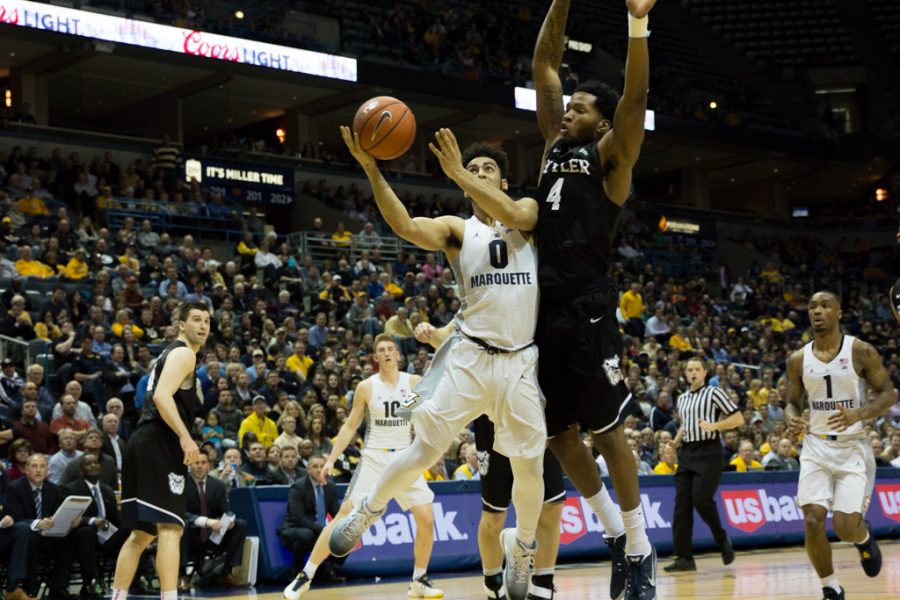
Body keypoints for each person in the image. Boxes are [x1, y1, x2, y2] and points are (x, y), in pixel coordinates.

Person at [329, 130, 548, 599]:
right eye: (474, 171)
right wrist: (371, 169)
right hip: (471, 356)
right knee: (424, 452)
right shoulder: (456, 228)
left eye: (489, 170)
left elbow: (515, 211)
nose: (480, 175)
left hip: (519, 363)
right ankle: (367, 510)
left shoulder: (526, 215)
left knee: (531, 468)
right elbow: (406, 225)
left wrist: (462, 173)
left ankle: (525, 548)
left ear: (504, 182)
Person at [529, 0, 658, 596]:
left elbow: (634, 101)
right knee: (559, 437)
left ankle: (640, 544)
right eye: (569, 106)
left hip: (589, 302)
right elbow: (545, 65)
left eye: (580, 109)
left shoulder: (610, 160)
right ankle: (614, 532)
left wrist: (636, 24)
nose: (566, 112)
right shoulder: (554, 147)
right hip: (543, 306)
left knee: (606, 433)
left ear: (601, 125)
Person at [284, 335, 441, 599]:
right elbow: (350, 425)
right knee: (345, 514)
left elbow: (425, 414)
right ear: (375, 358)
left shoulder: (413, 382)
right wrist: (332, 459)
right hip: (375, 458)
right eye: (382, 350)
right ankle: (305, 576)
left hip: (405, 457)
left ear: (399, 355)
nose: (387, 353)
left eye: (391, 349)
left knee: (426, 518)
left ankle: (419, 580)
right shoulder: (366, 387)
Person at [786, 291, 894, 600]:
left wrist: (859, 413)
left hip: (852, 448)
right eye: (812, 306)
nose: (817, 311)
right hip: (816, 448)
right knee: (811, 520)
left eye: (824, 306)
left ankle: (863, 538)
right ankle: (830, 587)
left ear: (839, 313)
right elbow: (792, 403)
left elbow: (888, 392)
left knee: (846, 528)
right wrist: (792, 417)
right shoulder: (798, 359)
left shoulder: (860, 351)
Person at [113, 302, 210, 600]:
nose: (203, 326)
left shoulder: (169, 355)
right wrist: (185, 436)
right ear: (181, 325)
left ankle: (117, 596)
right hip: (158, 442)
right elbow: (160, 396)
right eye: (196, 319)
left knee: (141, 534)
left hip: (141, 442)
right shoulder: (183, 354)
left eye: (207, 321)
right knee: (171, 528)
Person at [665, 357, 743, 572]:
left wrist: (715, 425)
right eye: (689, 369)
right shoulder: (682, 398)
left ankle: (722, 540)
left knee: (701, 499)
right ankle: (684, 558)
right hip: (687, 452)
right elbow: (685, 425)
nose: (692, 373)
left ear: (704, 372)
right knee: (681, 506)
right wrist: (676, 442)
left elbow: (738, 419)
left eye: (696, 369)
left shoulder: (714, 393)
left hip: (709, 451)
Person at [5, 453, 78, 599]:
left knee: (70, 536)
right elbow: (15, 518)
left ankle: (58, 586)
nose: (38, 470)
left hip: (48, 535)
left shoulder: (54, 489)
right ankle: (30, 589)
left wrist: (68, 521)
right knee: (32, 536)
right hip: (25, 537)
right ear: (26, 470)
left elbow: (57, 514)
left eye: (42, 466)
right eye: (34, 466)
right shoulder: (15, 488)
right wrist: (38, 523)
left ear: (47, 471)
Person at [63, 454, 130, 599]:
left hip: (106, 536)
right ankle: (91, 583)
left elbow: (116, 519)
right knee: (87, 532)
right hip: (83, 538)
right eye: (88, 464)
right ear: (81, 471)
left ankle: (136, 580)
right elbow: (70, 518)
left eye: (95, 463)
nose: (93, 465)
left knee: (133, 532)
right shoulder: (71, 489)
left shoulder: (107, 490)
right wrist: (93, 520)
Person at [179, 452, 248, 591]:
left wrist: (230, 520)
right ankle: (183, 575)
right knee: (182, 525)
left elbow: (226, 510)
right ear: (190, 465)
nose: (199, 466)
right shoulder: (181, 483)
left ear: (209, 466)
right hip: (191, 535)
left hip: (214, 534)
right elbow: (180, 512)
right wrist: (206, 521)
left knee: (241, 524)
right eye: (196, 463)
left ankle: (227, 572)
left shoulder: (217, 485)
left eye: (203, 463)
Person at [278, 455, 346, 587]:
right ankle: (296, 571)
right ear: (308, 470)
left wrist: (344, 524)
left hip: (318, 528)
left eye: (322, 466)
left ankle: (326, 569)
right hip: (294, 529)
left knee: (346, 534)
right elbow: (298, 518)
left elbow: (336, 514)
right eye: (315, 467)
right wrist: (323, 530)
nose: (319, 470)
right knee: (306, 535)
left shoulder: (330, 487)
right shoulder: (298, 488)